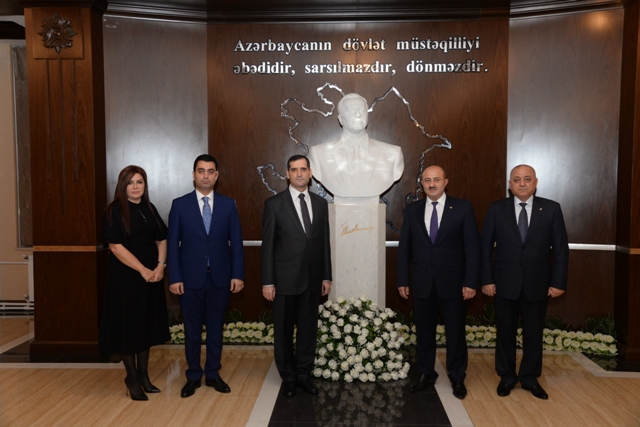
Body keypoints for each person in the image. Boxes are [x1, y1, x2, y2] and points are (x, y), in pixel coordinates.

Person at [481, 164, 569, 400]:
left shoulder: (551, 209)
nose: (522, 183)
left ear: (535, 183)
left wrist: (558, 281)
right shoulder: (496, 209)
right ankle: (507, 376)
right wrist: (486, 279)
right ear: (510, 184)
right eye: (517, 179)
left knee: (534, 333)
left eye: (527, 179)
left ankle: (529, 377)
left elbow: (560, 249)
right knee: (505, 332)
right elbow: (485, 248)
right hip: (503, 282)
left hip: (538, 283)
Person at [397, 165, 480, 400]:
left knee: (455, 332)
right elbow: (404, 249)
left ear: (446, 182)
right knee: (424, 331)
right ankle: (426, 373)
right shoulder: (412, 210)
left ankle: (457, 376)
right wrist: (402, 279)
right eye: (427, 180)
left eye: (436, 179)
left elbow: (472, 248)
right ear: (422, 184)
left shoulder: (462, 208)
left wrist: (471, 282)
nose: (431, 184)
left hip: (454, 283)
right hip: (422, 282)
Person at [167, 154, 245, 398]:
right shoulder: (180, 205)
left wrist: (237, 274)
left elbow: (237, 244)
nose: (205, 176)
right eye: (201, 171)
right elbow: (172, 245)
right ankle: (193, 376)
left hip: (220, 279)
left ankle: (212, 373)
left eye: (210, 171)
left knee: (215, 329)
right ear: (194, 174)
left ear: (217, 176)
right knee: (191, 331)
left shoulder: (228, 205)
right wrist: (175, 277)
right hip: (189, 280)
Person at [261, 154, 332, 398]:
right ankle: (288, 377)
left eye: (303, 169)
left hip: (312, 279)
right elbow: (268, 247)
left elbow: (324, 243)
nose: (299, 173)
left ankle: (304, 374)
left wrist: (326, 276)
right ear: (287, 174)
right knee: (283, 332)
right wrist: (268, 281)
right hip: (283, 281)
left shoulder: (321, 204)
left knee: (308, 330)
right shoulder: (274, 204)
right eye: (294, 169)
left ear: (310, 173)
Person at [99, 165, 170, 401]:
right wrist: (142, 270)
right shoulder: (114, 211)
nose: (135, 187)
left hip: (151, 276)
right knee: (129, 327)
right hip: (126, 277)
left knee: (145, 325)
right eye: (130, 182)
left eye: (139, 182)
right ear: (122, 186)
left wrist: (160, 266)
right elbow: (115, 247)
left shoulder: (150, 208)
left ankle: (143, 375)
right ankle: (131, 378)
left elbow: (162, 238)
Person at [308, 93, 404, 202]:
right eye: (351, 110)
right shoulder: (319, 154)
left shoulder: (392, 154)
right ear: (340, 119)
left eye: (362, 110)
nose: (358, 114)